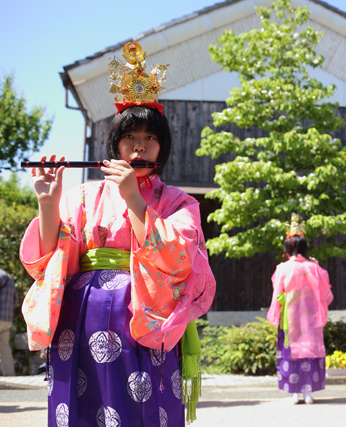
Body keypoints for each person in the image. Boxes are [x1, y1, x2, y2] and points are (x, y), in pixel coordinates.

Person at [20, 42, 215, 426]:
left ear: (163, 146)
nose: (139, 146)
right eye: (130, 138)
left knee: (142, 408)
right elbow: (49, 263)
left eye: (150, 138)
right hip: (79, 323)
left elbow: (177, 260)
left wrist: (134, 200)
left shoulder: (178, 203)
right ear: (115, 145)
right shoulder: (84, 194)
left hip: (142, 321)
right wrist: (48, 204)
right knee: (82, 406)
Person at [267, 215, 333, 405]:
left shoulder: (283, 268)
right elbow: (327, 294)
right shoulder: (315, 267)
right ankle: (309, 392)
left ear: (287, 248)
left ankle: (294, 393)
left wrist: (276, 313)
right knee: (310, 352)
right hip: (311, 319)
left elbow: (277, 293)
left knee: (290, 352)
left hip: (290, 319)